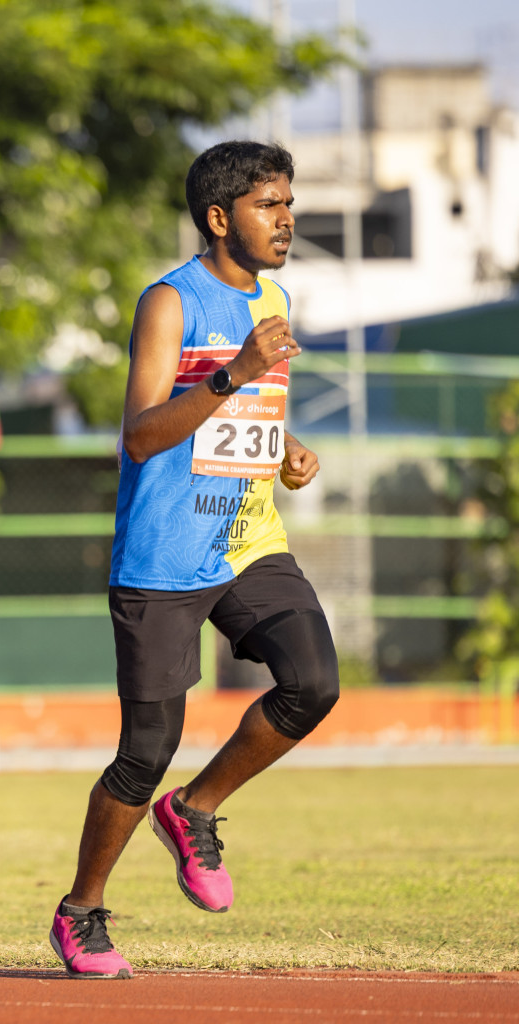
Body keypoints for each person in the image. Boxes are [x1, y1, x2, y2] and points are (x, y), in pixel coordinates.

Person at [49, 141, 339, 979]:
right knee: (146, 751)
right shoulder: (170, 302)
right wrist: (233, 372)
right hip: (164, 556)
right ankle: (81, 911)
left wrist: (284, 446)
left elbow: (250, 412)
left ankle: (196, 808)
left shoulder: (275, 297)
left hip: (248, 540)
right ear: (219, 217)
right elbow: (141, 435)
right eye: (267, 205)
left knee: (314, 684)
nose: (286, 219)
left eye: (288, 203)